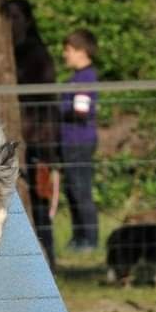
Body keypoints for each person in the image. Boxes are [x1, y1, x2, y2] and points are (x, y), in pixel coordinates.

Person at [7, 0, 60, 269]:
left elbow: (43, 102)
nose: (10, 22)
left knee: (39, 202)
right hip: (20, 138)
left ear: (27, 20)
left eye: (15, 16)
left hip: (38, 137)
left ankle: (48, 261)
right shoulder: (10, 51)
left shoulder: (35, 54)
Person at [60, 29, 100, 251]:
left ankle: (90, 239)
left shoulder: (86, 77)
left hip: (80, 142)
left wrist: (55, 111)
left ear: (81, 51)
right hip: (69, 142)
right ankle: (78, 236)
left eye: (68, 50)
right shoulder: (75, 77)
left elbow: (81, 110)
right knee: (72, 190)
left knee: (81, 189)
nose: (65, 55)